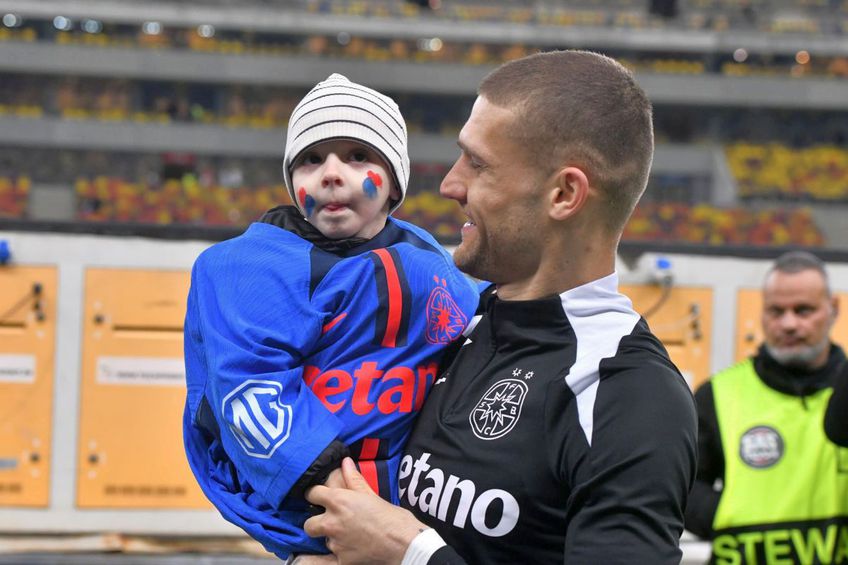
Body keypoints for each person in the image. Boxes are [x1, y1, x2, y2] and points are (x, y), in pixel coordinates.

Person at [303, 50, 698, 564]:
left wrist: (413, 554)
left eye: (478, 163)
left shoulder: (627, 394)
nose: (450, 184)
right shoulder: (456, 325)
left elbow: (405, 545)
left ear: (563, 194)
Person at [182, 74, 479, 560]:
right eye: (311, 159)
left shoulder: (426, 257)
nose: (331, 173)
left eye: (357, 155)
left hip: (407, 513)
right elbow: (248, 386)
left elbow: (477, 324)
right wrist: (337, 493)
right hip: (318, 507)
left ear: (394, 183)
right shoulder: (249, 267)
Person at [685, 250, 848, 564]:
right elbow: (679, 482)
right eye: (776, 311)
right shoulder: (718, 394)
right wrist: (723, 515)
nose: (788, 324)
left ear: (833, 309)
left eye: (803, 310)